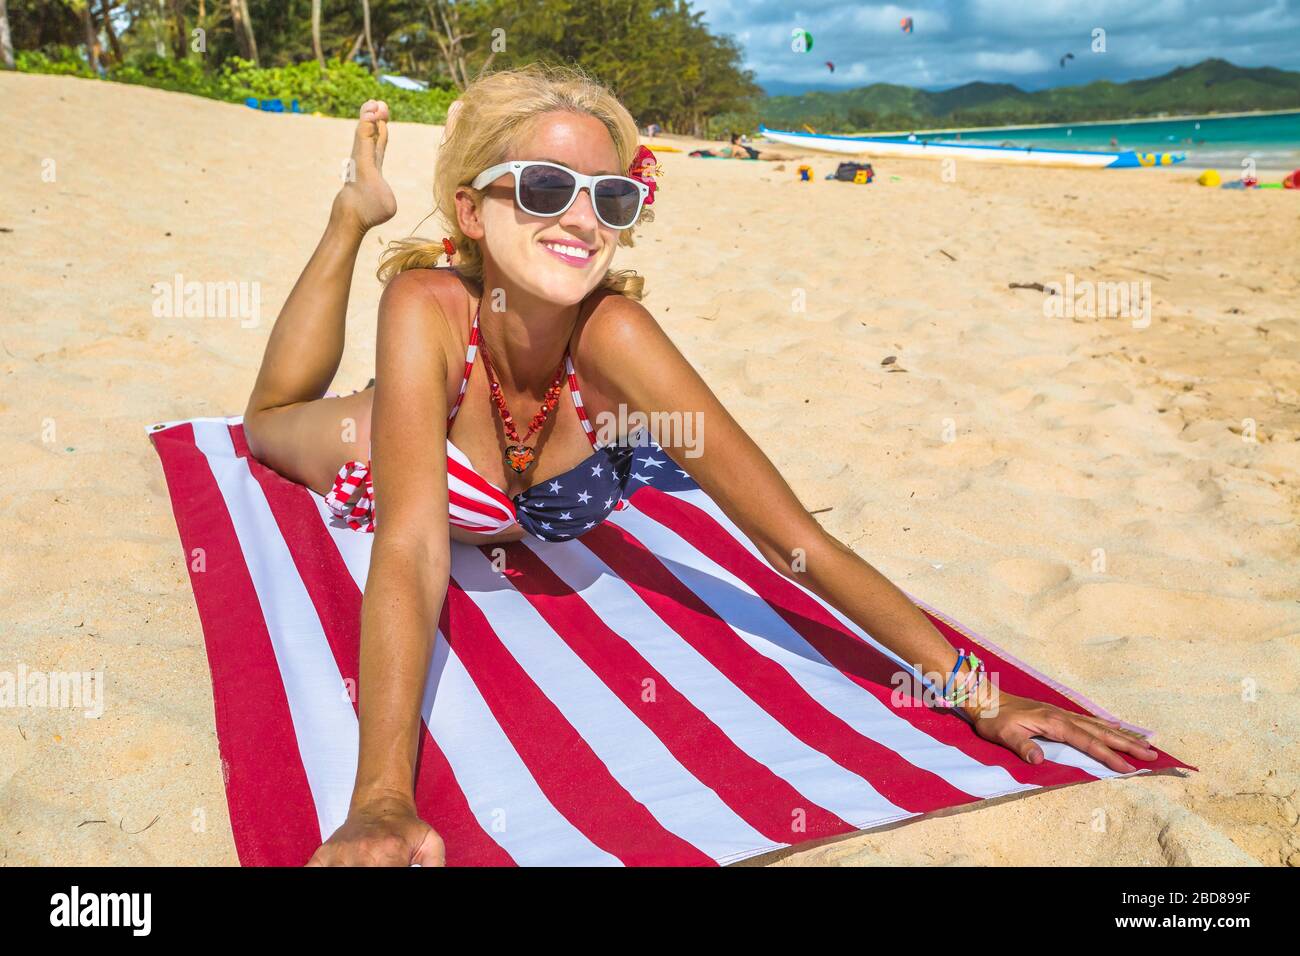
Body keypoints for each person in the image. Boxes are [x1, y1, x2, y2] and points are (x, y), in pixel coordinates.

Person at [241, 63, 1159, 866]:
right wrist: (381, 800)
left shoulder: (618, 338)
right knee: (270, 425)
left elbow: (789, 536)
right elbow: (408, 548)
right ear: (474, 212)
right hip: (416, 437)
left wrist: (974, 692)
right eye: (544, 186)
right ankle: (351, 213)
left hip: (519, 467)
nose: (580, 217)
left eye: (608, 196)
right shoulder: (424, 309)